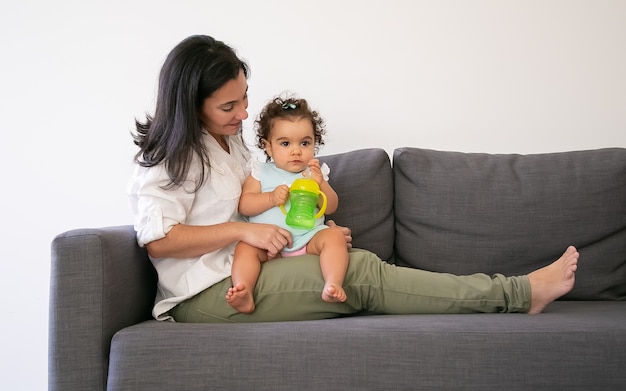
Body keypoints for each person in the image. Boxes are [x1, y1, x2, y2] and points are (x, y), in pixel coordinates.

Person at [128, 34, 579, 324]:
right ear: (191, 104)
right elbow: (159, 240)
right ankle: (518, 294)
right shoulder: (169, 157)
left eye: (244, 98)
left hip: (250, 266)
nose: (243, 113)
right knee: (361, 272)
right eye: (229, 107)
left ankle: (515, 292)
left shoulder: (235, 146)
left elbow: (267, 208)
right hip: (206, 294)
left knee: (346, 254)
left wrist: (309, 232)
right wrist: (247, 229)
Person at [228, 96, 348, 314]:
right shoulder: (260, 172)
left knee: (334, 237)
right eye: (285, 143)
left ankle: (333, 283)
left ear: (315, 143)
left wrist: (321, 185)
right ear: (268, 147)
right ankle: (243, 289)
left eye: (305, 143)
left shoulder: (314, 173)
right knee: (245, 248)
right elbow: (244, 205)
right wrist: (271, 198)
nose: (296, 151)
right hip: (267, 246)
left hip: (307, 239)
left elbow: (331, 207)